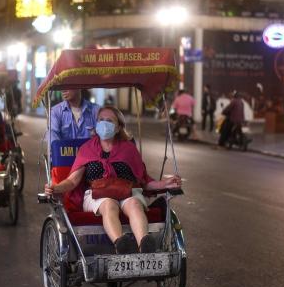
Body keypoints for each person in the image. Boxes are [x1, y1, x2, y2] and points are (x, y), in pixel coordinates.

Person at [45, 106, 182, 254]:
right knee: (109, 204)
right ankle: (121, 243)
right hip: (97, 195)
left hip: (128, 191)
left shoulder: (129, 149)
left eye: (109, 121)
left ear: (118, 128)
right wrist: (56, 187)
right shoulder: (86, 149)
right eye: (101, 120)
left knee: (135, 204)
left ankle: (144, 245)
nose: (104, 124)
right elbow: (72, 181)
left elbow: (144, 181)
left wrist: (165, 183)